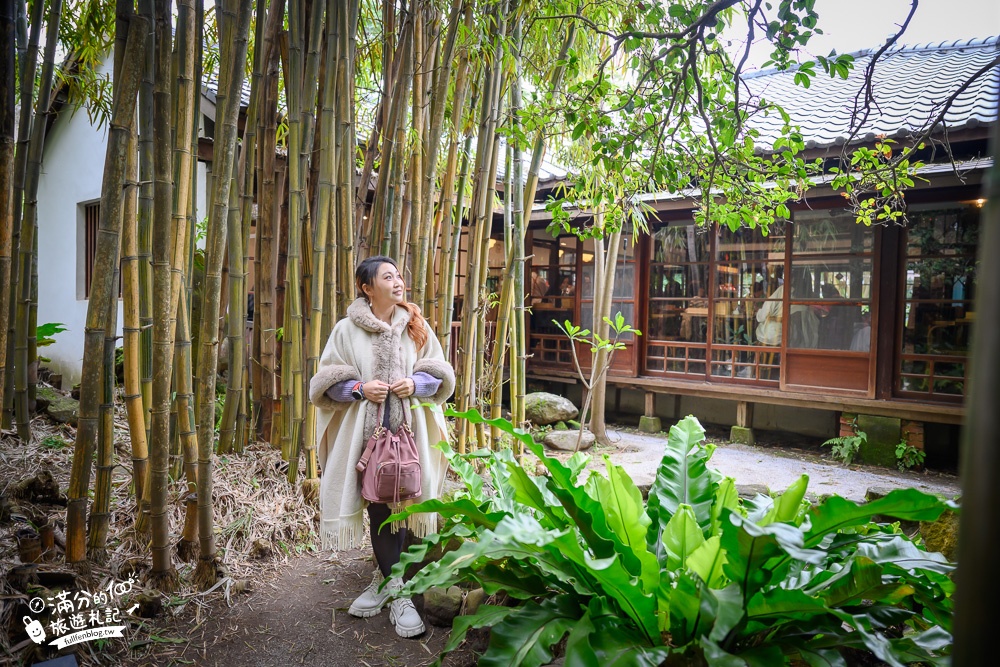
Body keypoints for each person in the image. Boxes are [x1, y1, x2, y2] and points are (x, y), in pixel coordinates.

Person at [308, 256, 455, 639]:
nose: (398, 281)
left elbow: (439, 373)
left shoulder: (415, 328)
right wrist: (359, 389)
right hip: (368, 440)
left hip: (411, 434)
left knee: (407, 501)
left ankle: (388, 582)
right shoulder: (346, 331)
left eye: (399, 275)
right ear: (367, 287)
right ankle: (397, 589)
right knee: (379, 505)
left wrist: (415, 384)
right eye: (387, 276)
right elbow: (326, 382)